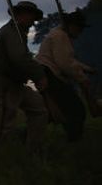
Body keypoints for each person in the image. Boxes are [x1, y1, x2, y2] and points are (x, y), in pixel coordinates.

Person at [0, 1, 48, 158]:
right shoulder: (10, 32)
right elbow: (19, 58)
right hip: (3, 84)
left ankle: (32, 152)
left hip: (15, 84)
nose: (33, 22)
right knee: (3, 124)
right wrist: (39, 75)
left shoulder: (17, 32)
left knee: (39, 110)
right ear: (22, 15)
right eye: (31, 17)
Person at [36, 9, 95, 141]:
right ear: (72, 26)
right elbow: (64, 63)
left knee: (52, 113)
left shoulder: (59, 35)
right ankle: (74, 142)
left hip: (48, 74)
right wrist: (82, 78)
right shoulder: (60, 36)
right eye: (79, 29)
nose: (79, 33)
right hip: (50, 75)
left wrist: (86, 68)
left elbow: (68, 60)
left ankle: (24, 137)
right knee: (76, 110)